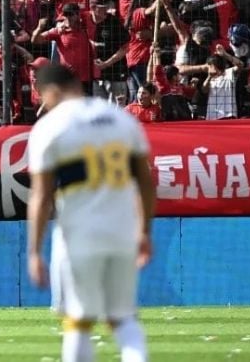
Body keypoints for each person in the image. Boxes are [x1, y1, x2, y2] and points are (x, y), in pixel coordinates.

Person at [26, 64, 155, 362]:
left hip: (79, 234)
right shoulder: (121, 119)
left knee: (78, 322)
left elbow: (42, 196)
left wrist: (34, 251)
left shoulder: (50, 127)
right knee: (123, 319)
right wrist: (144, 231)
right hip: (123, 232)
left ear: (52, 91)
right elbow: (145, 183)